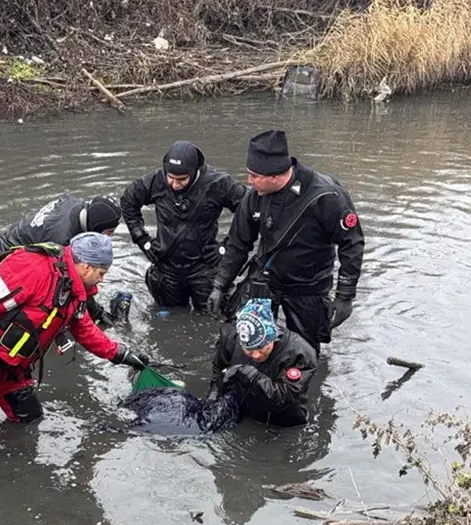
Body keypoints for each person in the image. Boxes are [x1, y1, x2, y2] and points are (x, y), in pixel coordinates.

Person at [0, 233, 150, 454]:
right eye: (101, 273)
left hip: (7, 362)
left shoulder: (73, 291)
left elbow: (86, 331)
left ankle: (14, 466)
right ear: (86, 267)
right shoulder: (33, 267)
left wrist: (122, 355)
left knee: (30, 417)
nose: (102, 280)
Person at [207, 129, 365, 354]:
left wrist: (345, 296)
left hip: (309, 284)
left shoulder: (327, 197)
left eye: (254, 176)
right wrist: (220, 286)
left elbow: (352, 244)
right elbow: (238, 244)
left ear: (274, 176)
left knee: (304, 351)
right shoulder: (254, 197)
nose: (249, 181)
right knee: (247, 340)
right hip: (267, 277)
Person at [120, 140, 248, 310]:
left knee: (212, 316)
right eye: (170, 177)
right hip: (166, 266)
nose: (175, 184)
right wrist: (142, 239)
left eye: (181, 179)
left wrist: (225, 247)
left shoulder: (218, 184)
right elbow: (128, 201)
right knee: (167, 315)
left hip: (204, 267)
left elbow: (248, 209)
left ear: (194, 172)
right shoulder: (155, 181)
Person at [0, 194, 123, 324]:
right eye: (109, 232)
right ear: (96, 227)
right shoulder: (63, 242)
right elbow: (76, 284)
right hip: (8, 254)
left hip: (15, 236)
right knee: (54, 297)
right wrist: (97, 313)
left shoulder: (75, 204)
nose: (109, 239)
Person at [207, 298, 318, 427]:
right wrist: (214, 394)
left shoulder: (300, 353)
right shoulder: (231, 338)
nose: (256, 355)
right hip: (245, 412)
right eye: (248, 349)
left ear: (272, 337)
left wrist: (250, 375)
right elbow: (218, 369)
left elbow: (284, 397)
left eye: (261, 348)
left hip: (283, 422)